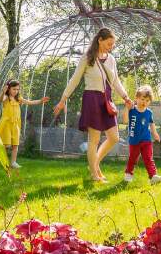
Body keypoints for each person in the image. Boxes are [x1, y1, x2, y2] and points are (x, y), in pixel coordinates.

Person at [53, 27, 133, 183]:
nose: (111, 47)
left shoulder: (111, 59)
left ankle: (94, 164)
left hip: (106, 100)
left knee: (114, 137)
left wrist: (125, 97)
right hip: (92, 99)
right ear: (100, 40)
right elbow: (74, 80)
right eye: (109, 44)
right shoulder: (87, 57)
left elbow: (115, 81)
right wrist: (63, 100)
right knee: (94, 140)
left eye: (112, 44)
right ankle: (95, 175)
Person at [0, 79, 49, 169]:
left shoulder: (18, 98)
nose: (15, 91)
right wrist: (3, 92)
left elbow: (29, 102)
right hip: (7, 123)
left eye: (17, 89)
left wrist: (40, 101)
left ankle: (13, 162)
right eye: (13, 89)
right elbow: (0, 100)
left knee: (15, 144)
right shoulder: (6, 98)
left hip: (15, 124)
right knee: (6, 144)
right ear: (9, 89)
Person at [124, 85, 161, 184]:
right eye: (142, 99)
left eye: (147, 100)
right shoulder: (132, 111)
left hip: (146, 140)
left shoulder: (149, 112)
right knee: (133, 158)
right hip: (134, 141)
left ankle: (153, 177)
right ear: (136, 98)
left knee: (148, 158)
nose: (144, 102)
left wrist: (155, 133)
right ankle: (128, 174)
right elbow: (125, 120)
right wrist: (127, 108)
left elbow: (151, 123)